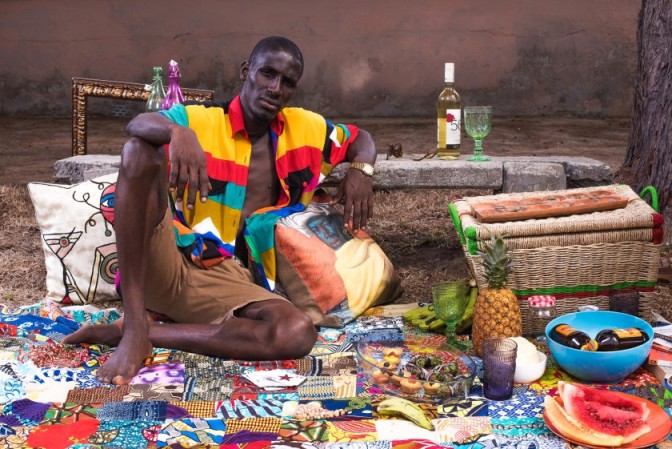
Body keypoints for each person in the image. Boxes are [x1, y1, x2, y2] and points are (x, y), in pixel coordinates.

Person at [63, 36, 377, 385]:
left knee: (296, 331)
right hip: (174, 260)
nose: (275, 88)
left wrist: (361, 169)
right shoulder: (202, 120)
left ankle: (139, 334)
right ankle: (136, 324)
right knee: (139, 151)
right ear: (246, 71)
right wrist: (176, 131)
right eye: (267, 73)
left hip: (230, 279)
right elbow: (137, 124)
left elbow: (359, 139)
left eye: (287, 82)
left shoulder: (305, 129)